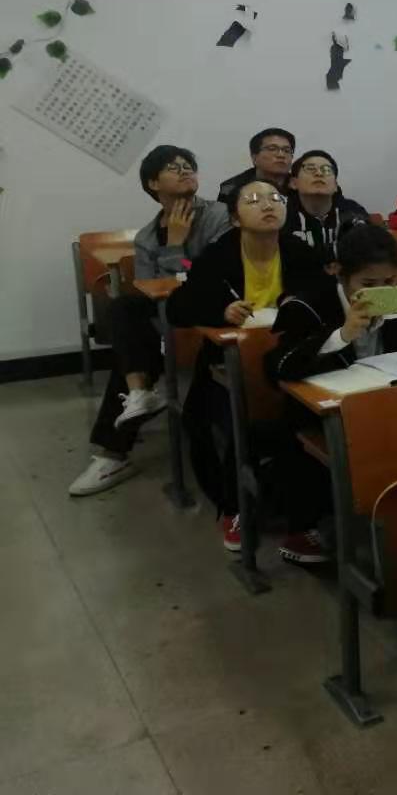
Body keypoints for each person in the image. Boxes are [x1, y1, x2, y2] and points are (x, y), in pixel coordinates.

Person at [265, 225, 397, 562]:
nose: (380, 292)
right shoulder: (309, 305)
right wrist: (341, 335)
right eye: (367, 284)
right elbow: (278, 367)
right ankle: (340, 524)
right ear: (341, 276)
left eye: (390, 282)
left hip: (391, 408)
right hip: (326, 417)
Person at [166, 179, 330, 552]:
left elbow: (323, 298)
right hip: (229, 363)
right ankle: (232, 506)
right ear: (236, 218)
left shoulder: (299, 251)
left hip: (290, 357)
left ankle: (299, 507)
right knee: (224, 420)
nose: (268, 205)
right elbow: (178, 306)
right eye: (254, 200)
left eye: (275, 198)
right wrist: (220, 310)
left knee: (294, 423)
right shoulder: (219, 254)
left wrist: (298, 305)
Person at [68, 145, 232, 497]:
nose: (185, 170)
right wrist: (178, 267)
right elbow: (151, 291)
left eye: (189, 165)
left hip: (215, 315)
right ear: (153, 183)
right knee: (125, 309)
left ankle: (115, 448)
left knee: (133, 350)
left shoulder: (219, 215)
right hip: (170, 322)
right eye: (174, 167)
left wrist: (175, 248)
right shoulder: (145, 237)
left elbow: (212, 275)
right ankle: (139, 393)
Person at [284, 149, 370, 263]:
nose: (319, 173)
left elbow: (368, 250)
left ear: (335, 186)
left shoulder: (352, 211)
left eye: (327, 170)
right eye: (310, 168)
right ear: (294, 183)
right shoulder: (282, 214)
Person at [217, 127, 296, 201]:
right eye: (272, 149)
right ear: (254, 158)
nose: (281, 155)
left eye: (287, 150)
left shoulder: (299, 186)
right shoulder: (231, 188)